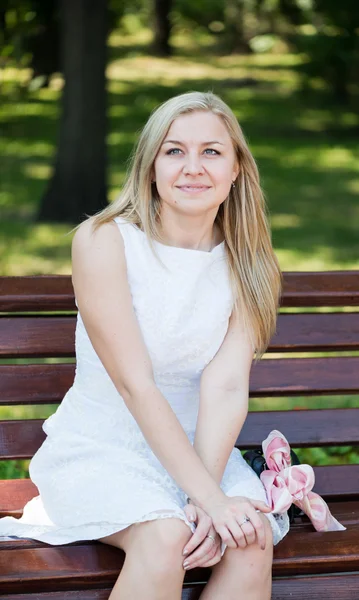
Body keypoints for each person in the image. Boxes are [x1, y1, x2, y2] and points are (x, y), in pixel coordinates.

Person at [0, 91, 289, 599]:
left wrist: (209, 492)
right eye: (174, 151)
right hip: (103, 447)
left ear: (238, 167)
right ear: (150, 166)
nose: (192, 168)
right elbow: (136, 386)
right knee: (166, 536)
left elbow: (224, 386)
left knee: (249, 536)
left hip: (204, 452)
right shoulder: (104, 240)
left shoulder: (250, 263)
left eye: (212, 152)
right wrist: (204, 499)